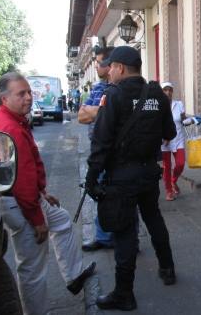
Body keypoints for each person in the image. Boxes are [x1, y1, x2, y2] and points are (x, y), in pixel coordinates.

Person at [0, 72, 96, 315]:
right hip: (20, 203)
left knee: (63, 221)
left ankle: (74, 274)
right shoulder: (8, 127)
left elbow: (20, 172)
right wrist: (36, 219)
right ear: (4, 99)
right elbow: (22, 178)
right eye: (21, 94)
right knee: (33, 269)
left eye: (29, 92)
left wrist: (42, 192)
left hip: (24, 198)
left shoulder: (5, 121)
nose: (28, 98)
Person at [85, 46, 177, 311]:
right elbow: (169, 131)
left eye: (111, 67)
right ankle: (167, 268)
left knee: (125, 234)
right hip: (148, 172)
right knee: (154, 219)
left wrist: (92, 178)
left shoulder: (113, 96)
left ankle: (124, 293)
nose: (108, 71)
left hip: (122, 177)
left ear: (121, 68)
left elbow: (101, 142)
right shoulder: (157, 94)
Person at [79, 46, 116, 251]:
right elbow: (81, 116)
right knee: (98, 193)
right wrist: (103, 110)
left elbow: (118, 116)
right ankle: (103, 237)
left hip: (116, 150)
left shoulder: (122, 88)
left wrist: (97, 111)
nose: (96, 65)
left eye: (99, 62)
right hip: (98, 150)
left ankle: (128, 239)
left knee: (124, 196)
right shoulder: (98, 88)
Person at [160, 82, 187, 201]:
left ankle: (173, 181)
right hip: (165, 141)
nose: (168, 92)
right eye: (165, 90)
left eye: (170, 90)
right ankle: (169, 191)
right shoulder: (158, 106)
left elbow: (183, 119)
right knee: (167, 167)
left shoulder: (179, 104)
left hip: (178, 139)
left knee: (180, 163)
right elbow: (156, 124)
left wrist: (192, 120)